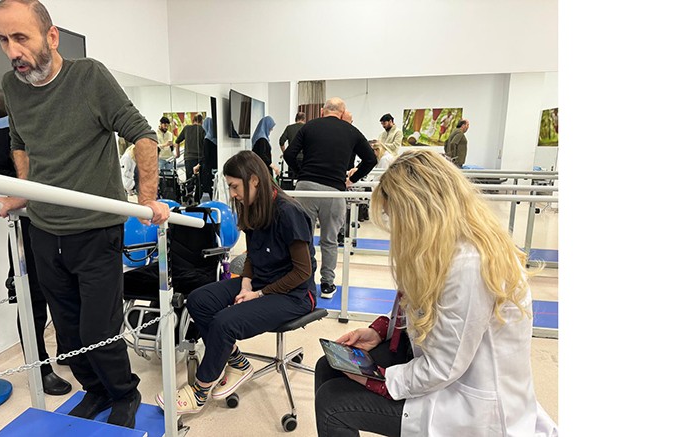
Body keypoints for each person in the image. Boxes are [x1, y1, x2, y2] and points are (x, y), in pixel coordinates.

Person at [0, 0, 170, 428]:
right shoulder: (12, 85)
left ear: (51, 37)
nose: (13, 51)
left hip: (94, 230)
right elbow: (19, 143)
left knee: (97, 329)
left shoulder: (89, 77)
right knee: (68, 330)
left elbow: (143, 136)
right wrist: (23, 193)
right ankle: (95, 390)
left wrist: (147, 199)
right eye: (3, 40)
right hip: (43, 229)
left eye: (21, 38)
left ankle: (124, 393)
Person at [312, 150, 558, 437]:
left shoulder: (470, 265)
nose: (394, 229)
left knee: (333, 404)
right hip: (441, 365)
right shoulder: (441, 247)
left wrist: (379, 381)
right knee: (328, 367)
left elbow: (444, 367)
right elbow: (420, 309)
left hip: (466, 400)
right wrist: (380, 331)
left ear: (418, 213)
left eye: (394, 217)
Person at [156, 150, 317, 414]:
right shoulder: (253, 207)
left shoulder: (289, 212)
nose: (232, 194)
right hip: (261, 281)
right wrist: (246, 284)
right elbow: (253, 254)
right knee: (198, 300)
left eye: (234, 186)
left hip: (295, 295)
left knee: (224, 322)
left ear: (254, 180)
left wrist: (259, 294)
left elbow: (302, 273)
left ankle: (200, 390)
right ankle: (237, 362)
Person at [0, 115, 71, 397]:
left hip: (66, 221)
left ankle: (69, 349)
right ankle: (39, 368)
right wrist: (28, 189)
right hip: (29, 224)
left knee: (66, 289)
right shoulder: (6, 126)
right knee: (33, 297)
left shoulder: (58, 117)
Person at [283, 97, 376, 299]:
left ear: (322, 111)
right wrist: (352, 180)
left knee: (302, 238)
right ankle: (327, 284)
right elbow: (371, 159)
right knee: (329, 240)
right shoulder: (351, 131)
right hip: (333, 191)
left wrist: (301, 173)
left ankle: (303, 281)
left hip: (306, 190)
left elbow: (289, 154)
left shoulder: (309, 127)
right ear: (342, 114)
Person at [175, 113, 206, 186]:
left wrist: (177, 154)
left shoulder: (186, 128)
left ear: (193, 120)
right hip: (199, 158)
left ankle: (189, 192)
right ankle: (197, 193)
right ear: (201, 121)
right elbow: (205, 144)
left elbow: (177, 141)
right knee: (199, 180)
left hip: (188, 158)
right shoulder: (202, 129)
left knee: (189, 179)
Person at [278, 111, 307, 179]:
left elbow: (281, 141)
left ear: (296, 118)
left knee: (291, 179)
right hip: (304, 158)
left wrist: (285, 153)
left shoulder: (289, 128)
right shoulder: (307, 127)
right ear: (304, 119)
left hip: (292, 158)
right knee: (303, 179)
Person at [196, 117, 218, 199]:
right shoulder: (218, 139)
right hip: (217, 167)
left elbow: (205, 156)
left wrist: (199, 165)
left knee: (210, 190)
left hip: (209, 169)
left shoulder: (207, 140)